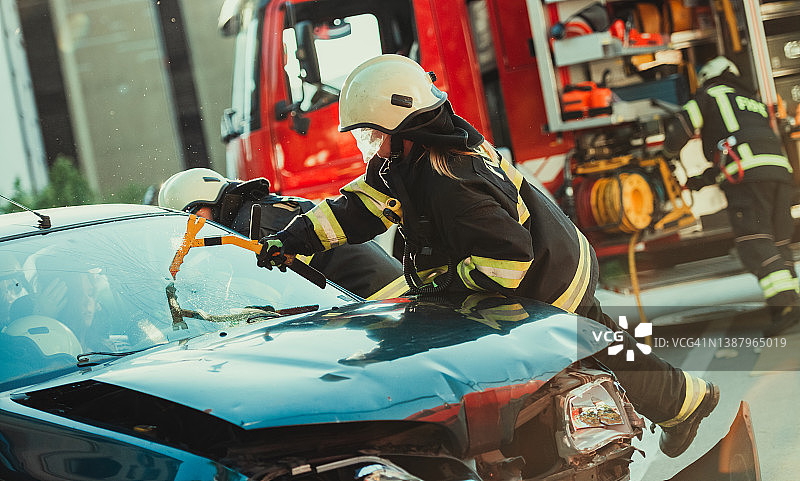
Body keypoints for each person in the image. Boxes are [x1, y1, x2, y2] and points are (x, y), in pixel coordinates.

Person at [255, 54, 718, 458]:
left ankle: (668, 409)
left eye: (373, 137)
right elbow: (355, 208)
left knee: (583, 351)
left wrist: (442, 288)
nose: (369, 151)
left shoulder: (451, 181)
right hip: (542, 261)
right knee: (599, 342)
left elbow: (506, 263)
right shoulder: (411, 163)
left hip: (548, 274)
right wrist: (293, 238)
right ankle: (687, 400)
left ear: (406, 126)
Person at [663, 56, 799, 337]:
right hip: (779, 174)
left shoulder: (709, 94)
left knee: (755, 241)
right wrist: (702, 180)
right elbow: (742, 143)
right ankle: (790, 302)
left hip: (749, 179)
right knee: (778, 240)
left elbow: (682, 127)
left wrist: (666, 152)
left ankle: (785, 305)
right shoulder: (752, 101)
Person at [157, 168, 406, 300]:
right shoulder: (262, 209)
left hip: (376, 298)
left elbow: (264, 302)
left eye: (192, 216)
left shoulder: (251, 226)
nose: (192, 227)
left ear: (209, 201)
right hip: (389, 287)